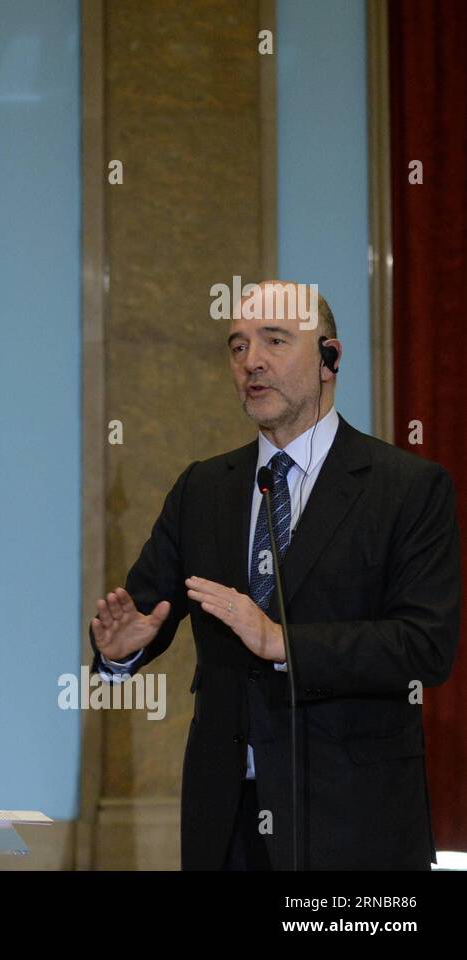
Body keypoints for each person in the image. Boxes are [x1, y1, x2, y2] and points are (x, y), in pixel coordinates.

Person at [89, 281, 459, 870]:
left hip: (354, 823)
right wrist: (119, 650)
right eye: (237, 346)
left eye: (275, 341)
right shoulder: (202, 488)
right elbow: (143, 611)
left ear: (329, 359)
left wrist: (282, 643)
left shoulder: (406, 488)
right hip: (226, 819)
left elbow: (425, 645)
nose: (251, 361)